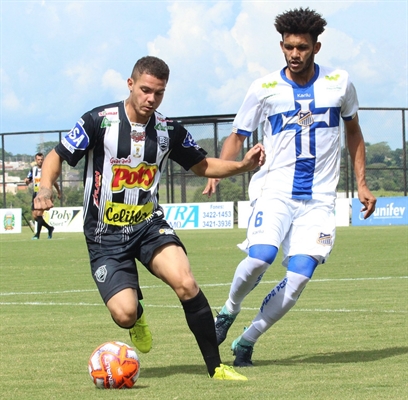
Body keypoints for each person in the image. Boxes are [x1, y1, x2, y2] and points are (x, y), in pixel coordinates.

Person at [34, 56, 265, 380]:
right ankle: (137, 315)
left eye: (158, 93)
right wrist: (44, 188)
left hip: (147, 225)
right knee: (125, 314)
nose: (150, 99)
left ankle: (217, 368)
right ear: (130, 85)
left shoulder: (169, 130)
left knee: (186, 282)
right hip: (104, 236)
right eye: (145, 90)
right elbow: (58, 155)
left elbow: (203, 166)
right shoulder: (99, 121)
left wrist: (242, 166)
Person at [203, 7, 377, 367]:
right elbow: (237, 135)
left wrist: (362, 183)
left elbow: (354, 131)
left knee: (298, 278)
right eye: (288, 47)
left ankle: (246, 342)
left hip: (320, 200)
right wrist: (217, 172)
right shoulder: (264, 88)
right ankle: (229, 310)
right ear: (281, 46)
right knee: (260, 258)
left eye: (302, 47)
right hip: (275, 192)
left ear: (317, 46)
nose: (294, 54)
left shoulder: (340, 82)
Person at [25, 152, 61, 239]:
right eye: (38, 159)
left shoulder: (47, 169)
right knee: (35, 215)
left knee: (39, 213)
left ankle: (37, 235)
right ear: (35, 160)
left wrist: (58, 192)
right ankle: (50, 228)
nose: (40, 161)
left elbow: (54, 182)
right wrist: (26, 181)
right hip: (35, 194)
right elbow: (29, 179)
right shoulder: (33, 170)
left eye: (41, 159)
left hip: (44, 193)